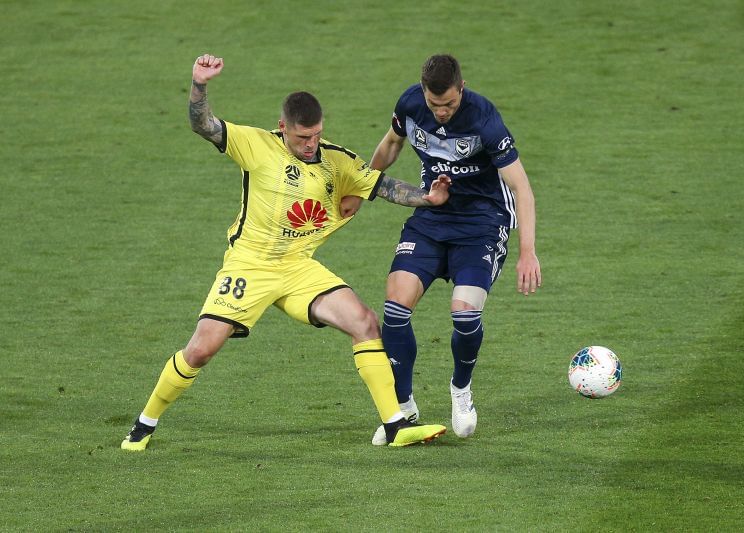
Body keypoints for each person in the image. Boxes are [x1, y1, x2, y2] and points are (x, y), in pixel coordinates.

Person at [121, 53, 452, 451]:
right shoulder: (256, 145)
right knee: (202, 349)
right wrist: (200, 84)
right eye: (302, 138)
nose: (311, 145)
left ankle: (395, 426)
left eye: (316, 135)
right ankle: (144, 424)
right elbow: (202, 124)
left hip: (297, 269)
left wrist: (428, 199)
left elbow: (382, 186)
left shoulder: (335, 160)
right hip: (250, 265)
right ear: (283, 129)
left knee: (364, 322)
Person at [366, 54, 542, 444]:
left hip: (481, 225)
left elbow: (521, 188)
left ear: (461, 89)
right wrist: (364, 187)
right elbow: (391, 143)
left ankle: (460, 390)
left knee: (464, 314)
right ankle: (404, 405)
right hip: (431, 218)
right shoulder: (410, 104)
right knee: (394, 309)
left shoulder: (484, 119)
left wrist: (527, 251)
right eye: (434, 104)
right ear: (424, 93)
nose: (441, 113)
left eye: (448, 104)